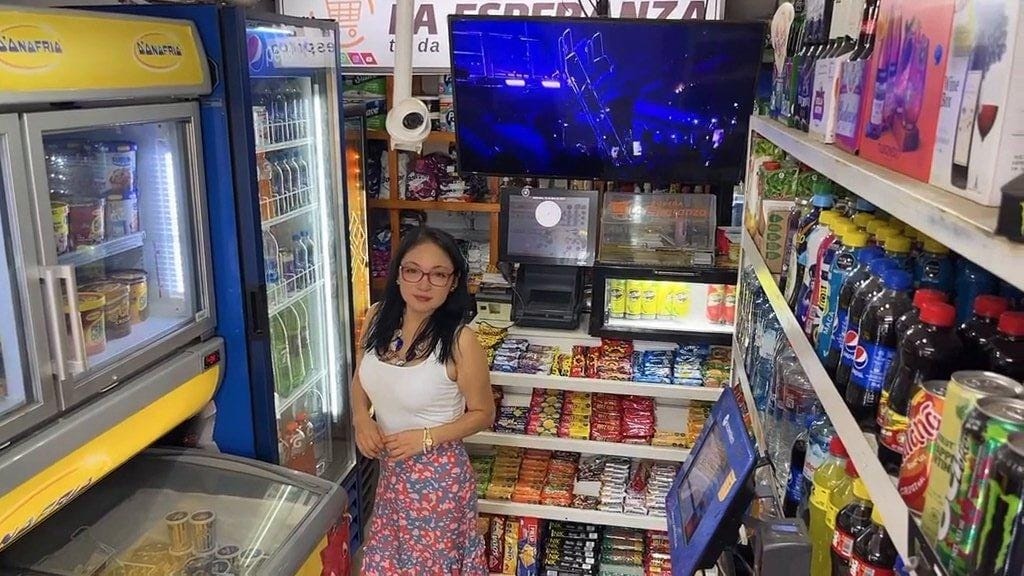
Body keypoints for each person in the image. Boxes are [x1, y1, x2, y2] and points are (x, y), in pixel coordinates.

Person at [352, 226, 495, 575]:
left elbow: (483, 413)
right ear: (398, 274)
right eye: (413, 270)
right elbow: (361, 378)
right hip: (391, 473)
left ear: (453, 282)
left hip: (438, 482)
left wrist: (426, 437)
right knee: (388, 562)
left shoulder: (461, 341)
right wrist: (361, 418)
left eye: (438, 274)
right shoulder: (376, 318)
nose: (423, 284)